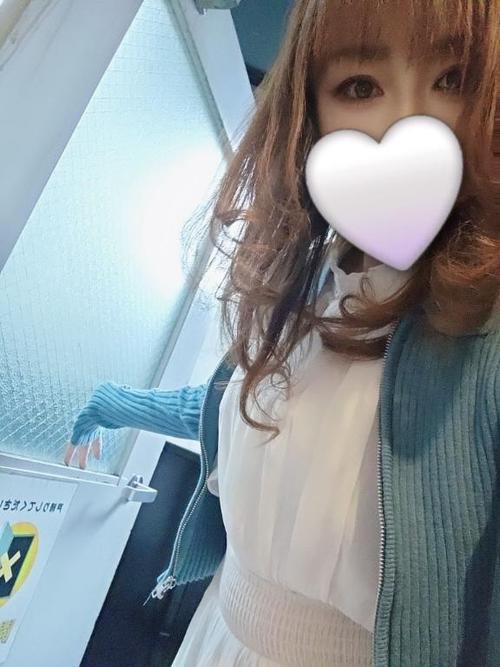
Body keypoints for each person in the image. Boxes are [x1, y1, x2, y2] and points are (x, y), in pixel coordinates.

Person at [64, 1, 500, 665]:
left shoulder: (482, 330)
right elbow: (250, 411)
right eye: (361, 86)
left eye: (453, 79)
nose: (409, 122)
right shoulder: (309, 287)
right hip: (215, 634)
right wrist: (116, 403)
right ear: (309, 113)